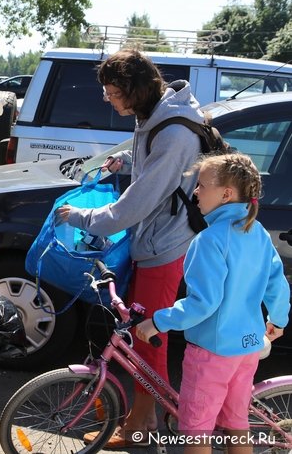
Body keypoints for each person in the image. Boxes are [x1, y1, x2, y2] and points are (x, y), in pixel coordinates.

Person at [57, 49, 203, 447]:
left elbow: (133, 207)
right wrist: (125, 160)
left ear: (132, 90)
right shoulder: (154, 116)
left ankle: (141, 427)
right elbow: (153, 163)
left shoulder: (173, 132)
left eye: (111, 93)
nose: (107, 100)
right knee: (141, 333)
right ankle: (145, 418)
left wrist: (81, 218)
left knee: (148, 335)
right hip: (156, 238)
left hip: (166, 244)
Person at [136, 153, 289, 454]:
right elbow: (277, 283)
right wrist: (279, 320)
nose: (195, 192)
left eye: (202, 185)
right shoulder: (256, 233)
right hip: (247, 348)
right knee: (236, 420)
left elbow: (203, 304)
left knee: (196, 427)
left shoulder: (208, 240)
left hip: (211, 354)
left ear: (226, 194)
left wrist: (157, 321)